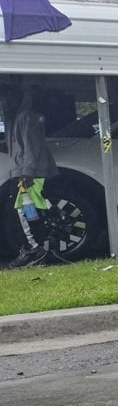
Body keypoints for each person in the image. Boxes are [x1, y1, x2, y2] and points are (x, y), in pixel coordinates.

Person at [1, 81, 59, 269]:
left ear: (20, 98)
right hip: (26, 172)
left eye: (10, 98)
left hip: (32, 175)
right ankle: (36, 248)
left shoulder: (26, 117)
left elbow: (30, 147)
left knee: (23, 211)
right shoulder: (14, 119)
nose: (6, 102)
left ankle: (33, 249)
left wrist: (27, 173)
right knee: (28, 211)